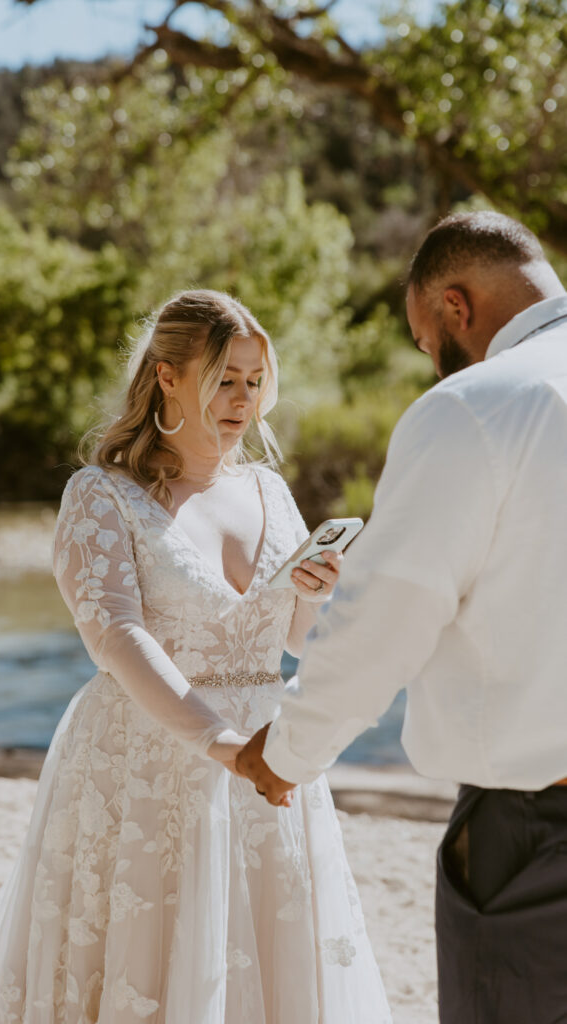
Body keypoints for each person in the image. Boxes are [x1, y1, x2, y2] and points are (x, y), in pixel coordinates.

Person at [0, 289, 391, 1023]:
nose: (241, 401)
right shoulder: (100, 496)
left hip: (271, 755)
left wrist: (317, 592)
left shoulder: (269, 489)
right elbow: (114, 634)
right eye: (222, 380)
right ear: (168, 377)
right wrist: (224, 744)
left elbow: (297, 640)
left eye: (252, 381)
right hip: (148, 759)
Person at [236, 211, 567, 1023]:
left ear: (455, 307)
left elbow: (387, 617)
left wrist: (287, 752)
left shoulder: (475, 406)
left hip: (537, 834)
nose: (431, 362)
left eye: (424, 341)